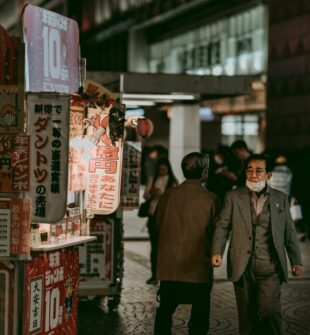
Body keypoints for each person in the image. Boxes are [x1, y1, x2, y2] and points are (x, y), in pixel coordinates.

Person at [211, 154, 302, 335]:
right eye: (250, 170)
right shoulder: (233, 197)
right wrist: (217, 251)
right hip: (241, 266)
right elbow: (222, 226)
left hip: (270, 266)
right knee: (246, 317)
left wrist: (295, 260)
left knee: (269, 311)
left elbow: (289, 232)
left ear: (268, 175)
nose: (253, 175)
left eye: (259, 171)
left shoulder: (280, 199)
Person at [154, 152, 220, 335]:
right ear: (204, 172)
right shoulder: (211, 199)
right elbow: (217, 234)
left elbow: (158, 225)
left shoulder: (168, 196)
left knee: (165, 309)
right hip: (198, 266)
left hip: (169, 267)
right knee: (200, 312)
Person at [143, 157, 178, 285]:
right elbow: (145, 196)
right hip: (153, 216)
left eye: (164, 168)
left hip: (167, 219)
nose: (162, 170)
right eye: (160, 169)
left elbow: (174, 200)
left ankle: (166, 275)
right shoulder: (153, 179)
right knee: (154, 247)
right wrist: (151, 193)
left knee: (166, 248)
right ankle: (154, 274)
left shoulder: (173, 182)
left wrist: (161, 195)